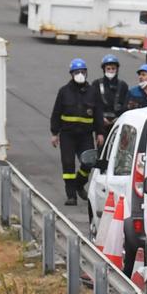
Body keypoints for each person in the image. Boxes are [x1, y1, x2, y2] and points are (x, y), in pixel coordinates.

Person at [49, 60, 101, 205]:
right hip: (68, 135)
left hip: (85, 135)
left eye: (82, 72)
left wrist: (100, 133)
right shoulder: (64, 91)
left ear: (86, 73)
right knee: (68, 164)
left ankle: (79, 183)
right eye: (77, 72)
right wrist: (54, 133)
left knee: (89, 162)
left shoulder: (92, 92)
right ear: (71, 74)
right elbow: (56, 113)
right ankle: (71, 195)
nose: (80, 75)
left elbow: (98, 114)